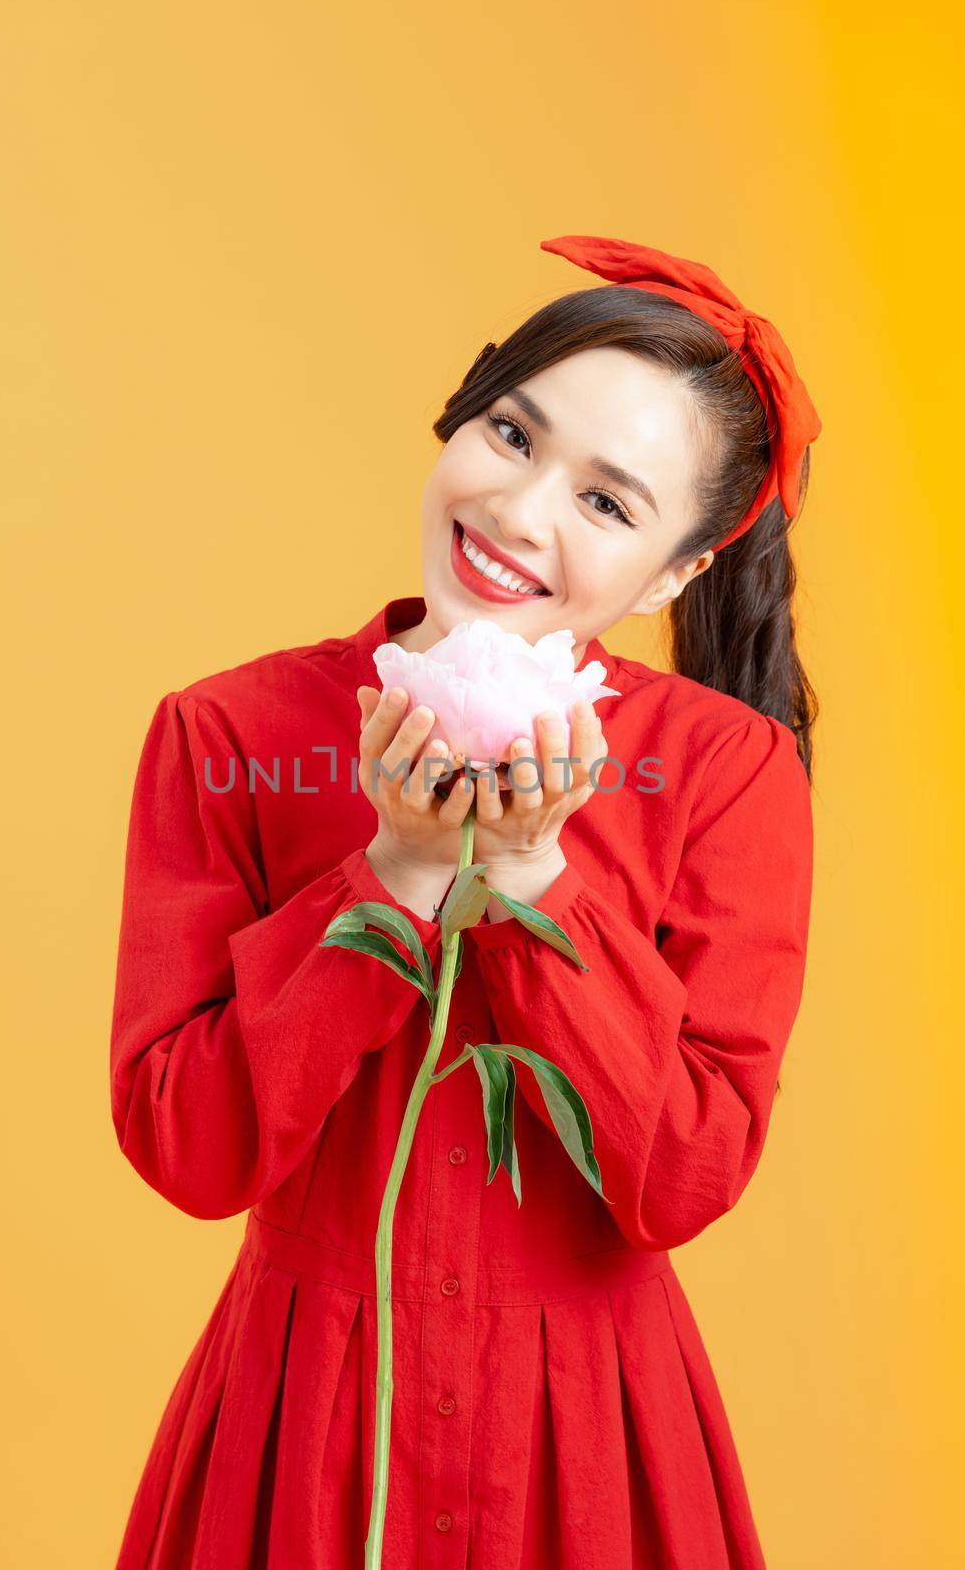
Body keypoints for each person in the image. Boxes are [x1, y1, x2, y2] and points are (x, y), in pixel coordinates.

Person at [109, 234, 820, 1569]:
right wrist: (397, 876)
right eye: (511, 434)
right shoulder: (230, 733)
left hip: (588, 1446)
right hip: (301, 1433)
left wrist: (541, 880)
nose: (521, 510)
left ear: (676, 575)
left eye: (608, 503)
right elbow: (187, 1151)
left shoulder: (729, 774)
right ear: (459, 418)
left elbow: (683, 1178)